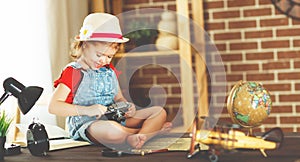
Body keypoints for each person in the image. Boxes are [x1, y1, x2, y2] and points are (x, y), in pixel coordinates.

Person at [48, 13, 172, 149]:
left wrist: (127, 107)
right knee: (114, 131)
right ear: (84, 45)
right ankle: (151, 133)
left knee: (159, 112)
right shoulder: (73, 72)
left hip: (115, 118)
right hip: (88, 124)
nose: (104, 60)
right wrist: (87, 110)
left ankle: (139, 137)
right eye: (99, 55)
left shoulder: (108, 70)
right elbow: (54, 106)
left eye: (109, 56)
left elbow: (118, 98)